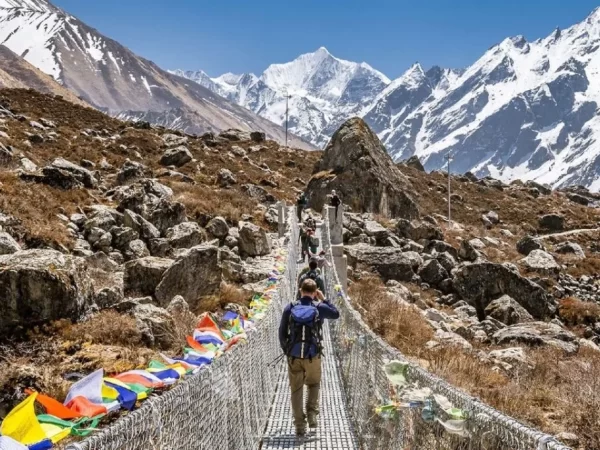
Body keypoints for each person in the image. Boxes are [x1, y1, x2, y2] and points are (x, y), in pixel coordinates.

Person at [279, 279, 340, 436]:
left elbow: (281, 330)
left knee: (296, 390)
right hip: (313, 355)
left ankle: (300, 425)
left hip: (294, 355)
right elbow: (336, 313)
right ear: (314, 292)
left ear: (300, 290)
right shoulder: (319, 307)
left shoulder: (290, 307)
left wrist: (287, 349)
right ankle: (312, 412)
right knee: (313, 384)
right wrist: (323, 298)